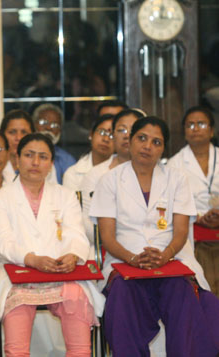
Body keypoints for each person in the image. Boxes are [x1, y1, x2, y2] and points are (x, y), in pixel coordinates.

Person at [90, 116, 219, 356]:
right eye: (142, 138)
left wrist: (165, 256)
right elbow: (107, 237)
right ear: (130, 142)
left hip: (172, 260)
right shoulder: (109, 180)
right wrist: (132, 259)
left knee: (182, 293)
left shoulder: (177, 179)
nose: (148, 146)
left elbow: (181, 231)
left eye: (156, 142)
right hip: (124, 262)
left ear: (163, 149)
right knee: (122, 298)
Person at [0, 133, 104, 357]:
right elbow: (1, 241)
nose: (35, 163)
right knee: (16, 345)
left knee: (76, 305)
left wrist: (72, 256)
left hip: (61, 272)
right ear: (17, 159)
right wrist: (31, 259)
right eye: (29, 155)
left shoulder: (66, 195)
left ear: (51, 163)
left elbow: (76, 234)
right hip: (18, 275)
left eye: (43, 157)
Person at [168, 106, 219, 296]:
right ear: (184, 132)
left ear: (212, 130)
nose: (195, 128)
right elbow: (172, 203)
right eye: (190, 125)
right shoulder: (174, 164)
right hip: (192, 227)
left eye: (201, 123)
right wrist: (197, 217)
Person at [79, 109, 144, 242]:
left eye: (132, 130)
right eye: (121, 130)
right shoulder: (95, 175)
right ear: (113, 135)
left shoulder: (158, 173)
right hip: (105, 247)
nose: (126, 136)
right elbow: (86, 224)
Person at [62, 114, 114, 191]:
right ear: (91, 134)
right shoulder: (73, 173)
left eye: (112, 135)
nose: (106, 139)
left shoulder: (123, 171)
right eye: (102, 132)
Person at [32, 104, 76, 184]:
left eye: (55, 125)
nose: (49, 128)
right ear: (34, 125)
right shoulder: (25, 155)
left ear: (60, 131)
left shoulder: (67, 160)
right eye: (43, 122)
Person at [0, 109, 35, 183]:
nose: (18, 138)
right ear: (2, 135)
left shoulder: (42, 165)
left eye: (24, 132)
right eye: (12, 132)